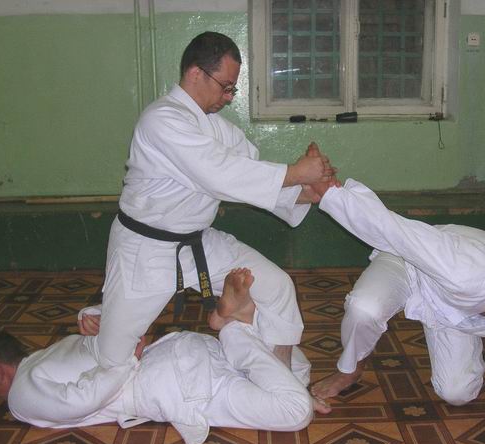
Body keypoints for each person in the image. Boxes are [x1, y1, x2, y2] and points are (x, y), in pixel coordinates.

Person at [304, 165, 485, 444]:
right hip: (409, 264)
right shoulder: (464, 268)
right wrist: (331, 194)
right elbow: (394, 230)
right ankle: (351, 369)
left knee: (457, 393)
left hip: (453, 311)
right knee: (364, 308)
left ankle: (455, 347)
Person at [96, 31, 335, 371]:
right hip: (145, 251)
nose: (228, 97)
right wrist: (297, 173)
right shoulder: (160, 120)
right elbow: (220, 173)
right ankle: (100, 319)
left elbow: (248, 170)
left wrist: (304, 192)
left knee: (278, 288)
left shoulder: (215, 127)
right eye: (226, 86)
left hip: (197, 241)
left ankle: (283, 381)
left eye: (232, 89)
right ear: (196, 73)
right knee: (112, 360)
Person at [0, 269, 329, 444]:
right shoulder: (61, 347)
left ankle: (235, 326)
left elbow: (80, 399)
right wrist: (93, 313)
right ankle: (238, 329)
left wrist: (128, 360)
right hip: (185, 349)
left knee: (296, 411)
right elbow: (113, 324)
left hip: (174, 385)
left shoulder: (20, 392)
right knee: (297, 370)